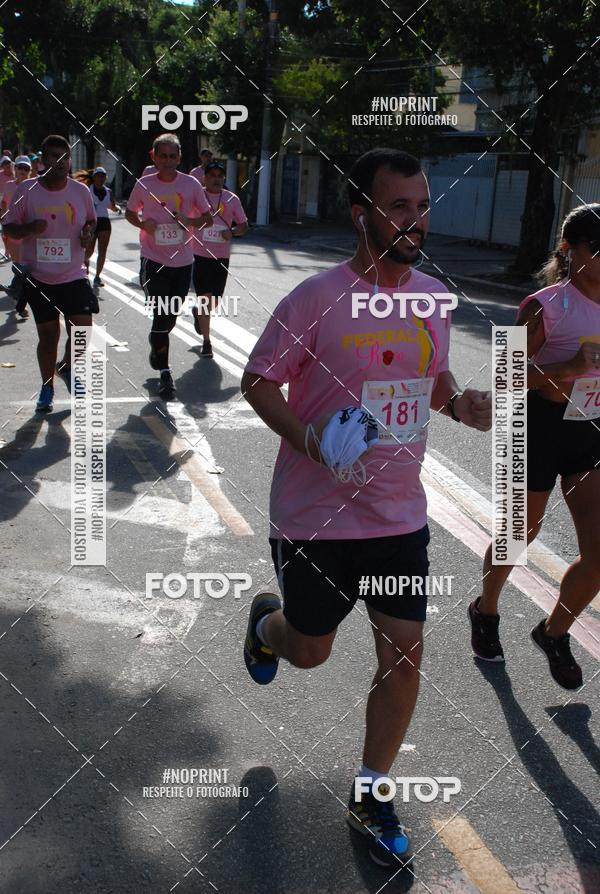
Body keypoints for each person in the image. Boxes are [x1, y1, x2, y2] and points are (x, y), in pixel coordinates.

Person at [241, 148, 492, 867]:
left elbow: (432, 382)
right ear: (362, 214)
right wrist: (311, 439)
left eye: (421, 206)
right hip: (314, 519)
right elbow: (259, 381)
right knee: (311, 652)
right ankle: (267, 625)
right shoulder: (315, 298)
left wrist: (463, 405)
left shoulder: (430, 299)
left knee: (405, 656)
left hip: (398, 518)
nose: (414, 220)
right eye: (398, 207)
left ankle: (373, 789)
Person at [470, 204, 600, 689]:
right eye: (598, 248)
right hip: (536, 426)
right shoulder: (545, 305)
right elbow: (504, 376)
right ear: (571, 250)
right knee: (518, 534)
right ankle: (485, 610)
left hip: (590, 427)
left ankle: (554, 632)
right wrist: (566, 367)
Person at [3, 134, 97, 412]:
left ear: (69, 161)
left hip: (73, 274)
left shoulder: (81, 192)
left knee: (83, 329)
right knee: (48, 336)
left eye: (64, 157)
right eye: (53, 157)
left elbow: (91, 222)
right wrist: (30, 229)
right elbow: (8, 228)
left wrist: (88, 234)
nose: (60, 162)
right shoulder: (27, 190)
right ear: (42, 161)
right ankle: (47, 387)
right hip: (39, 275)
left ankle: (66, 367)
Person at [125, 133, 211, 398]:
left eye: (172, 156)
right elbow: (130, 211)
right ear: (154, 157)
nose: (168, 161)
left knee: (169, 317)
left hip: (183, 262)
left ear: (180, 157)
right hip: (153, 261)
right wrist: (142, 223)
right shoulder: (145, 183)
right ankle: (165, 373)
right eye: (162, 156)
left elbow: (207, 218)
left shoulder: (191, 184)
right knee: (162, 315)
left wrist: (190, 221)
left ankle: (156, 343)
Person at [190, 160, 248, 358]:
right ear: (204, 178)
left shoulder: (232, 199)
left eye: (219, 175)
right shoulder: (196, 198)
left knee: (214, 300)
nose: (216, 179)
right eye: (212, 175)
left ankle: (199, 313)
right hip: (199, 254)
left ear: (224, 178)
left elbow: (243, 225)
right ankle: (207, 341)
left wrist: (232, 232)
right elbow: (185, 220)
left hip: (221, 257)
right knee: (205, 297)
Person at [1, 154, 33, 317]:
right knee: (19, 267)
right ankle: (20, 302)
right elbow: (4, 204)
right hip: (13, 232)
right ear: (15, 168)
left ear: (30, 171)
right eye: (20, 167)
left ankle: (15, 292)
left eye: (26, 168)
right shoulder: (8, 185)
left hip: (29, 233)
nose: (22, 171)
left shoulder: (34, 186)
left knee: (26, 269)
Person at [86, 166, 120, 287]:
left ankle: (97, 277)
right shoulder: (87, 190)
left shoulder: (108, 192)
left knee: (103, 251)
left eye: (103, 176)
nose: (100, 178)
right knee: (89, 250)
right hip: (91, 222)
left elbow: (112, 206)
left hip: (104, 222)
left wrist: (117, 209)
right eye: (98, 176)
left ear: (105, 178)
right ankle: (85, 273)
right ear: (94, 177)